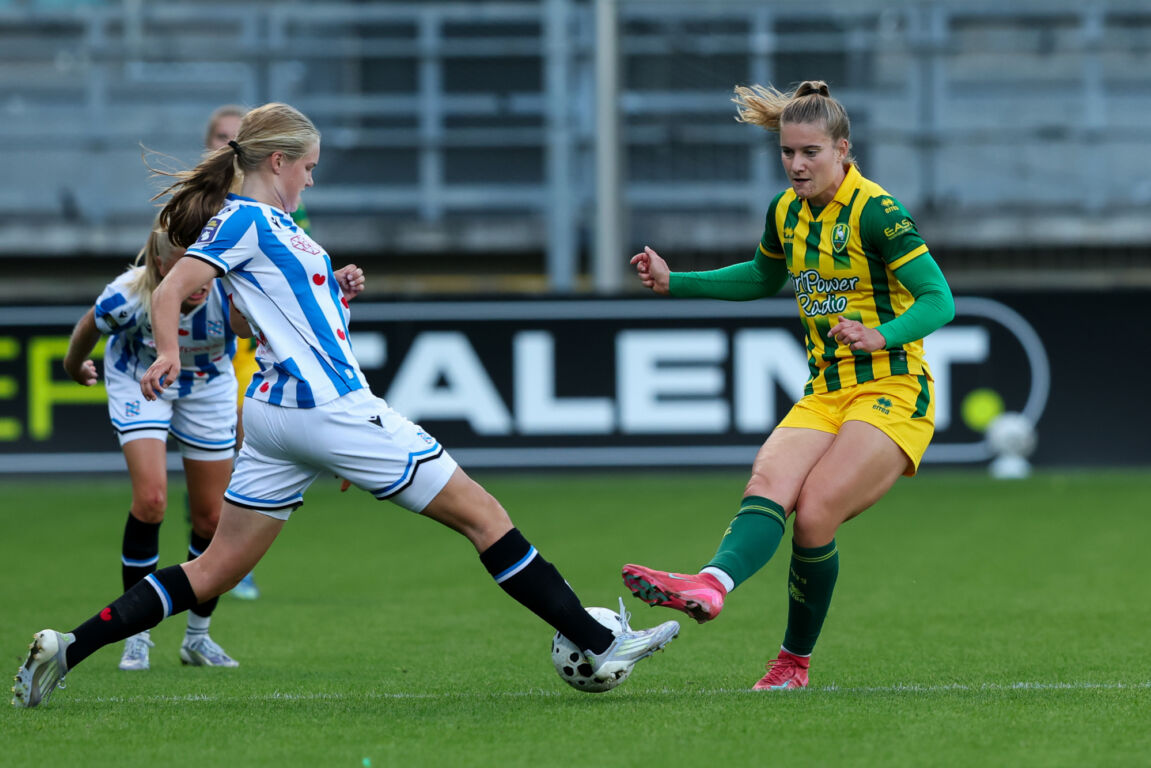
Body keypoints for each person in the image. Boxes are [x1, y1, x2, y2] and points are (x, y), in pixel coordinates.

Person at [12, 102, 678, 708]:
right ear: (278, 161)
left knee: (211, 568)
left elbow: (282, 317)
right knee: (484, 517)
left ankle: (67, 648)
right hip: (325, 406)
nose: (311, 179)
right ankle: (597, 639)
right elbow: (168, 291)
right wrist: (166, 353)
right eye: (308, 167)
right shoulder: (244, 218)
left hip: (279, 413)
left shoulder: (272, 225)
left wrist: (337, 291)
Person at [621, 80, 954, 691]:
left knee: (815, 513)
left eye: (810, 153)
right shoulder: (786, 211)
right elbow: (759, 276)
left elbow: (940, 299)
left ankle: (791, 663)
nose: (796, 165)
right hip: (826, 389)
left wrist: (884, 334)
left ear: (843, 150)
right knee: (768, 483)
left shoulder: (877, 212)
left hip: (894, 388)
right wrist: (677, 282)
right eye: (787, 153)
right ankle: (710, 584)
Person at [60, 221, 240, 670]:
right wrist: (72, 365)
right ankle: (135, 633)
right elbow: (89, 326)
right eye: (182, 269)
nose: (196, 283)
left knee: (212, 516)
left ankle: (197, 638)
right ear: (161, 265)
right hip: (141, 381)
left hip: (208, 386)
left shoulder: (229, 292)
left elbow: (269, 318)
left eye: (200, 270)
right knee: (152, 499)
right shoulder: (128, 295)